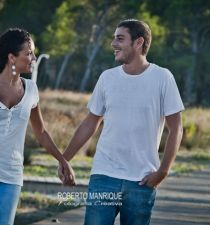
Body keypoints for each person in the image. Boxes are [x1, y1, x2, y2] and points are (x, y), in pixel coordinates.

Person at [59, 19, 184, 225]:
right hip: (104, 176)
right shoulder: (107, 78)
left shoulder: (163, 78)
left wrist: (163, 171)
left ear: (138, 42)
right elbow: (90, 123)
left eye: (120, 38)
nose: (113, 44)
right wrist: (65, 159)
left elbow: (176, 128)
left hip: (142, 181)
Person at [0, 28, 75, 225]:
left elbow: (41, 132)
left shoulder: (31, 90)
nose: (33, 58)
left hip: (10, 176)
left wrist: (63, 160)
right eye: (29, 53)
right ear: (12, 57)